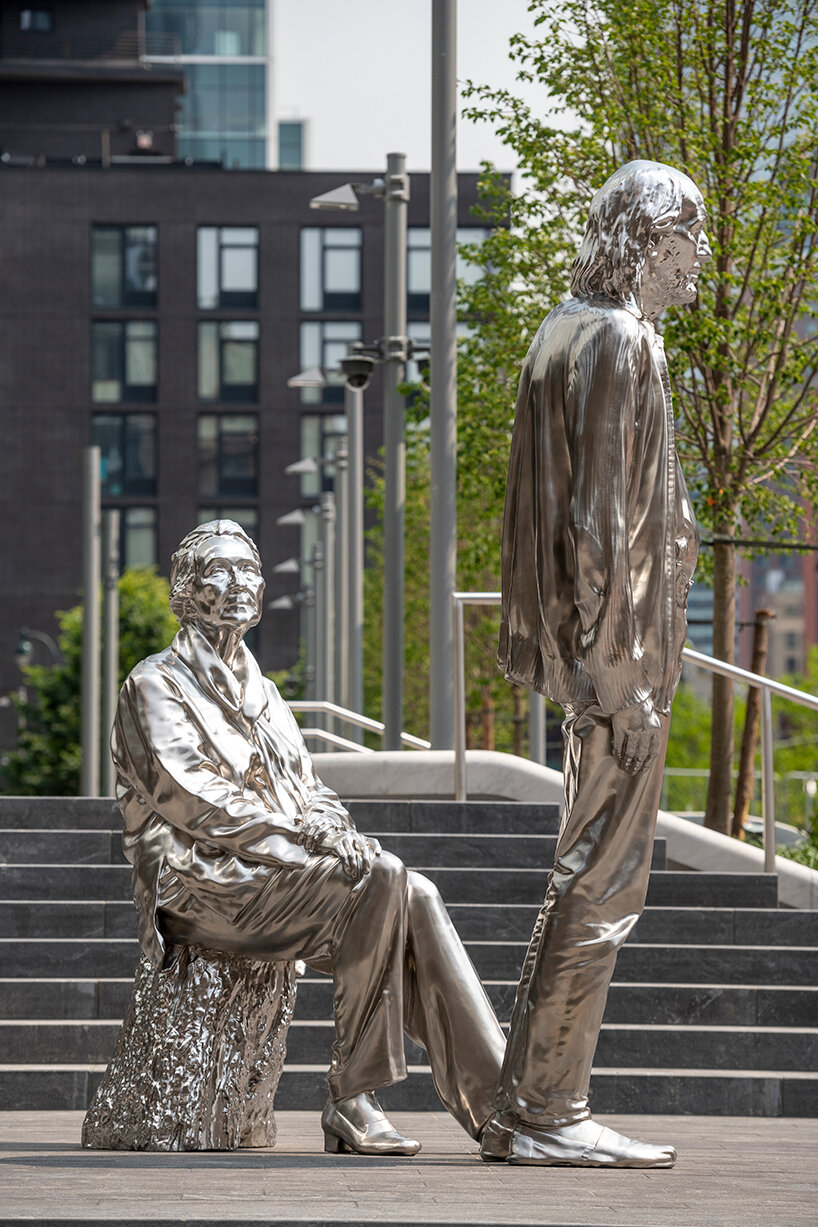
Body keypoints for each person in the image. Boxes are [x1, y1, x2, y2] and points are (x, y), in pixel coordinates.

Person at [112, 519, 505, 1157]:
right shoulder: (154, 684)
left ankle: (497, 1106)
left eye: (250, 571)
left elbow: (307, 787)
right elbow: (193, 799)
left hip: (274, 877)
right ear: (186, 590)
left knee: (415, 892)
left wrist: (333, 827)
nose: (239, 584)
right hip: (199, 886)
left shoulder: (264, 692)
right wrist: (307, 836)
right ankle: (353, 1097)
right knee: (384, 880)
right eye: (220, 570)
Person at [481, 161, 711, 1167]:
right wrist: (614, 662)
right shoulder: (618, 339)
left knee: (579, 874)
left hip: (597, 650)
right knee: (602, 888)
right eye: (689, 242)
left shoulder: (562, 329)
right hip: (621, 659)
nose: (699, 263)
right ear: (650, 242)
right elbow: (595, 519)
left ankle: (526, 1104)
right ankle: (546, 1111)